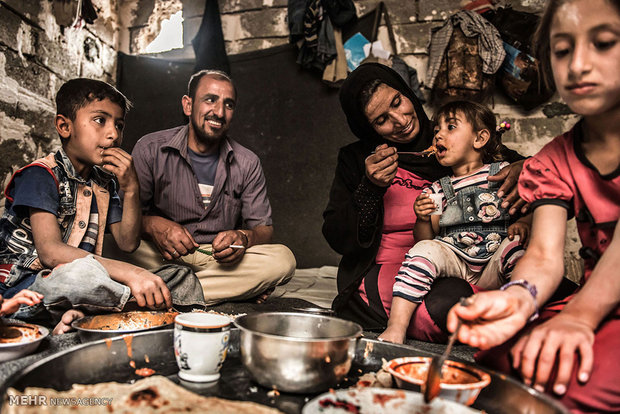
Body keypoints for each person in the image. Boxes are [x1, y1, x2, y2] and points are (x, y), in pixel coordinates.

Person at [447, 0, 620, 411]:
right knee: (504, 357)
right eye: (562, 50)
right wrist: (520, 297)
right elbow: (543, 254)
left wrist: (580, 317)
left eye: (603, 43)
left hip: (599, 303)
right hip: (604, 303)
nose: (577, 64)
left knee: (567, 380)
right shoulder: (555, 159)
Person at [322, 62, 527, 341]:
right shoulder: (359, 160)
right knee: (454, 302)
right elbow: (337, 236)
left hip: (471, 264)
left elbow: (534, 172)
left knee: (537, 280)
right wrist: (370, 188)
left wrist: (523, 169)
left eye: (397, 102)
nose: (400, 120)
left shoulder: (450, 136)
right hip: (398, 273)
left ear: (407, 92)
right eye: (381, 120)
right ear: (368, 128)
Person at [0, 78, 204, 334]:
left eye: (119, 124)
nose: (114, 134)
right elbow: (50, 253)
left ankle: (86, 315)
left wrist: (131, 188)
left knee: (180, 277)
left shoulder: (105, 183)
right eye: (100, 120)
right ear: (64, 126)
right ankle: (109, 313)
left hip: (89, 285)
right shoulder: (41, 175)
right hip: (30, 286)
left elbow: (128, 243)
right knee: (82, 278)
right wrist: (132, 274)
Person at [105, 69, 296, 305]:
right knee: (106, 246)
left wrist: (242, 238)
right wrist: (154, 225)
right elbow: (124, 221)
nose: (219, 112)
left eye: (228, 104)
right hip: (160, 255)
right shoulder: (150, 148)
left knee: (283, 260)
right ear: (188, 105)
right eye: (210, 100)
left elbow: (263, 230)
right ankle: (223, 291)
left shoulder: (248, 162)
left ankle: (160, 291)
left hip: (217, 262)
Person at [378, 100, 531, 344]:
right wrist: (423, 218)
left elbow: (531, 203)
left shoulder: (502, 172)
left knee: (517, 250)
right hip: (457, 263)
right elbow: (427, 239)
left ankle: (522, 322)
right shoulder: (439, 188)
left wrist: (525, 221)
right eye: (436, 129)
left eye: (450, 127)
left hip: (494, 263)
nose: (438, 135)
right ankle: (396, 326)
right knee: (422, 250)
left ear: (479, 139)